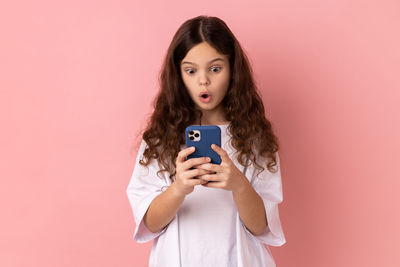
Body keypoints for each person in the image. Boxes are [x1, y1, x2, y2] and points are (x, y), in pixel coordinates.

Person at [126, 15, 286, 267]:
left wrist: (239, 185)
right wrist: (179, 187)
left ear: (232, 70)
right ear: (178, 75)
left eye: (215, 68)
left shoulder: (255, 139)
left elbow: (261, 227)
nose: (203, 80)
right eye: (191, 70)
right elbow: (149, 223)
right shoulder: (159, 140)